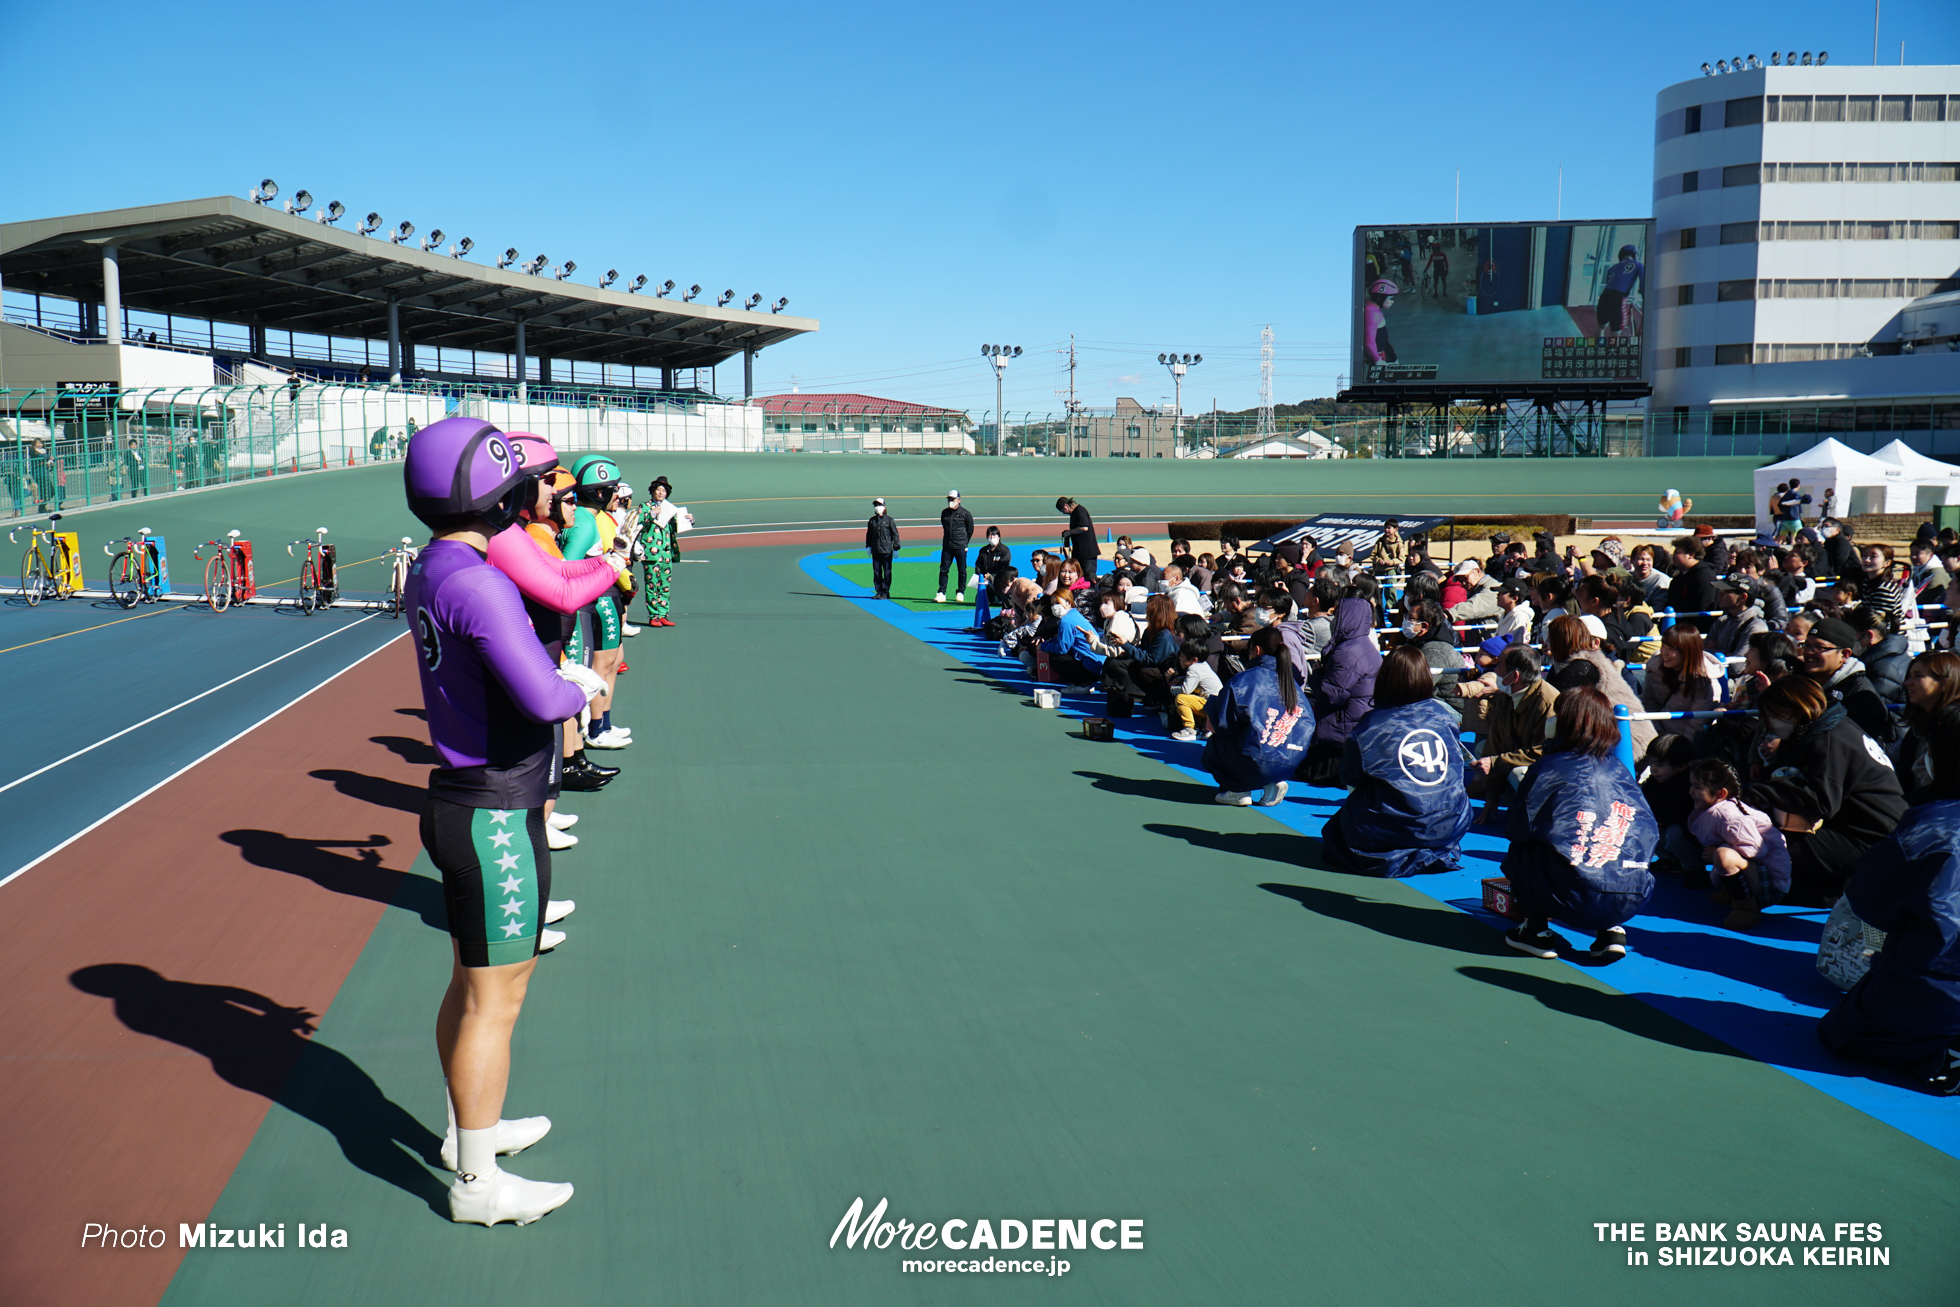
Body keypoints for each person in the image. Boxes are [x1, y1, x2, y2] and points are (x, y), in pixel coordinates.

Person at [401, 417, 601, 1225]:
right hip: (494, 810)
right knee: (496, 1002)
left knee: (469, 986)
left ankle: (466, 1132)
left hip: (463, 799)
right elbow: (545, 696)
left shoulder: (434, 566)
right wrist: (580, 681)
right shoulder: (479, 581)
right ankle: (477, 1183)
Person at [1818, 717, 1960, 1096]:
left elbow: (1870, 904)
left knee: (1843, 1033)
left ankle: (1936, 1054)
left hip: (1932, 987)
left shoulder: (1927, 827)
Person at [1500, 687, 1659, 962]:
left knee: (1520, 851)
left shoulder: (1548, 768)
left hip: (1567, 894)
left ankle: (1535, 932)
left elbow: (1517, 828)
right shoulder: (1621, 771)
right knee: (1610, 848)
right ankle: (1611, 929)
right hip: (1632, 894)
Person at [1746, 675, 1907, 906]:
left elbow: (1822, 801)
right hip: (1860, 826)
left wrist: (1761, 792)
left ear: (1799, 708)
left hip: (1873, 837)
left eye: (1775, 714)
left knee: (1769, 847)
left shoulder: (1830, 738)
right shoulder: (1826, 726)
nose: (1770, 721)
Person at [1322, 646, 1472, 878]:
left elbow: (1350, 776)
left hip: (1399, 823)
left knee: (1343, 826)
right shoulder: (1443, 714)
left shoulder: (1373, 724)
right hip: (1453, 820)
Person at [561, 455, 632, 750]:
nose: (618, 494)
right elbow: (566, 569)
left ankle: (597, 726)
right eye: (613, 488)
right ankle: (590, 732)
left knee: (607, 666)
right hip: (592, 602)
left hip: (597, 599)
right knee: (594, 672)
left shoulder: (591, 519)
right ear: (599, 492)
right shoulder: (587, 524)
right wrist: (612, 565)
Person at [1201, 626, 1313, 807]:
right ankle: (1272, 782)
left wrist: (1212, 706)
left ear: (1257, 650)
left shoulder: (1245, 679)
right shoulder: (1293, 685)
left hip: (1253, 758)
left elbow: (1222, 724)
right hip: (1290, 762)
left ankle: (1237, 789)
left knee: (1216, 741)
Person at [1689, 758, 1792, 929]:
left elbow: (1756, 849)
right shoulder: (1719, 809)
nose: (1691, 791)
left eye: (1697, 787)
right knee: (1724, 854)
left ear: (1721, 794)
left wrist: (1717, 851)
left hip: (1772, 884)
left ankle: (1746, 906)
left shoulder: (1730, 816)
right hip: (1758, 872)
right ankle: (1732, 892)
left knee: (1724, 856)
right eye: (1692, 785)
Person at [1460, 644, 1559, 797]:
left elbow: (1541, 753)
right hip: (1518, 754)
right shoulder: (1507, 696)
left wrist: (1495, 762)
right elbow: (1496, 742)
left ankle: (1534, 811)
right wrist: (1491, 794)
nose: (1495, 670)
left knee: (1518, 773)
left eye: (1500, 665)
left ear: (1514, 676)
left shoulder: (1548, 704)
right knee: (1482, 747)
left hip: (1550, 769)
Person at [1302, 597, 1380, 786]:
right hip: (1355, 726)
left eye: (1337, 615)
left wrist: (1315, 674)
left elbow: (1331, 696)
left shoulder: (1348, 652)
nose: (1333, 619)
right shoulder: (1363, 646)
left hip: (1341, 731)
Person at [1799, 616, 1901, 744]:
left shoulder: (1860, 694)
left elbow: (1860, 744)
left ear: (1844, 654)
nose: (1809, 652)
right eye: (1807, 645)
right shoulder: (1799, 679)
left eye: (1820, 647)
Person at [1896, 651, 1960, 792]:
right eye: (1909, 676)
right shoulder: (1919, 726)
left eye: (1918, 676)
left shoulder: (1953, 722)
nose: (1907, 683)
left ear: (1944, 683)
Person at [1641, 625, 1720, 739]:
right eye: (1663, 646)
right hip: (1657, 736)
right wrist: (1658, 735)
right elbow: (1648, 703)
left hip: (1687, 743)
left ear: (1687, 651)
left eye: (1671, 649)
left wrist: (1679, 746)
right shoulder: (1655, 668)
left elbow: (1698, 722)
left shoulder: (1704, 680)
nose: (1664, 653)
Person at [636, 476, 684, 626]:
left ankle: (663, 614)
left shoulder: (670, 509)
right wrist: (652, 513)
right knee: (652, 585)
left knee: (665, 585)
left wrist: (688, 519)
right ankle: (653, 616)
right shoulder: (645, 506)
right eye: (659, 490)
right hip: (651, 553)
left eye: (664, 491)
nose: (661, 493)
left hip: (666, 553)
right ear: (653, 491)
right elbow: (638, 522)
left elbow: (677, 527)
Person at [1168, 640, 1223, 742]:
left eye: (1182, 656)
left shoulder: (1193, 669)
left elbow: (1185, 690)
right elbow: (1196, 679)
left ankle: (1190, 730)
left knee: (1181, 698)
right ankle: (1205, 727)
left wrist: (1172, 689)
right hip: (1215, 706)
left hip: (1210, 707)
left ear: (1194, 659)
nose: (1179, 658)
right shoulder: (1203, 665)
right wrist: (1181, 678)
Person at [1704, 579, 1769, 660]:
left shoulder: (1756, 627)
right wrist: (1727, 654)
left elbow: (1737, 666)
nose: (1720, 594)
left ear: (1743, 597)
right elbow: (1703, 653)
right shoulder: (1721, 621)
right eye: (1721, 590)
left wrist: (1716, 652)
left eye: (1726, 591)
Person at [1595, 243, 1644, 340]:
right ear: (1634, 255)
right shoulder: (1638, 265)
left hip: (1604, 296)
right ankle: (1613, 354)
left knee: (1601, 327)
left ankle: (1596, 351)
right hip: (1618, 298)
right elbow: (1643, 282)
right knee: (1615, 333)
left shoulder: (1612, 267)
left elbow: (1609, 282)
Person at [1667, 537, 1720, 623]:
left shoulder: (1704, 576)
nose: (1673, 556)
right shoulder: (1678, 579)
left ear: (1691, 555)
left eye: (1678, 553)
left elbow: (1704, 609)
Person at [936, 490, 974, 603]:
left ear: (959, 500)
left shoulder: (965, 514)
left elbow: (970, 530)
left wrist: (965, 543)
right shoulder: (945, 513)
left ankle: (960, 592)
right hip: (947, 546)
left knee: (962, 570)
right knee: (944, 569)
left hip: (960, 546)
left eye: (953, 499)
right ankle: (942, 592)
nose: (951, 501)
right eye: (949, 499)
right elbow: (944, 526)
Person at [864, 497, 900, 599]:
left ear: (884, 507)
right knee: (876, 571)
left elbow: (895, 534)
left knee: (887, 571)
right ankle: (879, 591)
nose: (877, 507)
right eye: (876, 505)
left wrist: (896, 548)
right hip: (875, 549)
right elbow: (869, 534)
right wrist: (868, 546)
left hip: (887, 550)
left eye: (879, 505)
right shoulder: (872, 521)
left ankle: (885, 592)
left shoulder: (889, 520)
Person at [1362, 279, 1400, 372]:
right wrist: (1377, 360)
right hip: (1380, 351)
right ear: (1380, 298)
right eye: (1391, 299)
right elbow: (1369, 341)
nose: (1392, 302)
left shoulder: (1369, 307)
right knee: (1388, 376)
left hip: (1384, 347)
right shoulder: (1373, 313)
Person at [1056, 495, 1099, 578]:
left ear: (1066, 506)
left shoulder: (1080, 511)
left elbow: (1084, 527)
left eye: (1063, 510)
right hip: (1079, 552)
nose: (1064, 513)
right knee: (1078, 575)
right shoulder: (1074, 514)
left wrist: (1070, 532)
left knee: (1089, 576)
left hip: (1087, 553)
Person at [974, 526, 1011, 591]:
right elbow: (978, 565)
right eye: (990, 536)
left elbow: (1004, 568)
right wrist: (981, 576)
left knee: (995, 598)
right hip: (984, 580)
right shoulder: (983, 550)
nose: (992, 538)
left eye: (994, 535)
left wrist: (991, 576)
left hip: (997, 580)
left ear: (999, 537)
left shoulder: (1004, 550)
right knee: (980, 598)